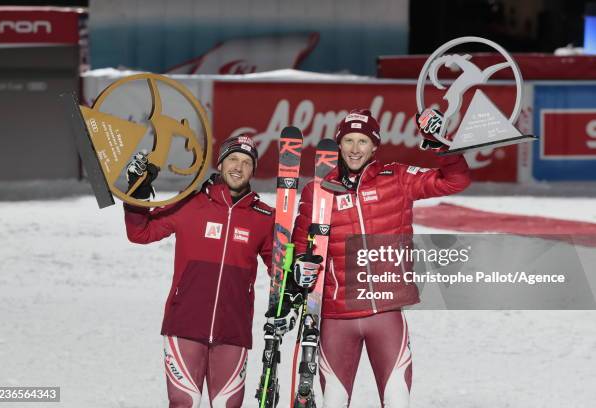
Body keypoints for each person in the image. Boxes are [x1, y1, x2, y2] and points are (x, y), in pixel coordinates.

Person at [291, 109, 471, 407]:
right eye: (348, 140)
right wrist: (299, 267)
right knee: (333, 403)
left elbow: (455, 182)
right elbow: (301, 247)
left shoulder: (397, 178)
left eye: (362, 141)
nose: (354, 149)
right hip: (337, 316)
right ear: (339, 144)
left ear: (375, 145)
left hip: (387, 312)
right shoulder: (317, 192)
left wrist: (440, 143)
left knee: (397, 401)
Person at [123, 134, 295, 408]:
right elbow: (140, 232)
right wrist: (137, 194)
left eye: (246, 162)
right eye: (232, 159)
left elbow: (279, 269)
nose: (238, 167)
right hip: (184, 326)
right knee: (183, 403)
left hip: (233, 331)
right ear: (221, 163)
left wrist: (296, 263)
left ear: (253, 170)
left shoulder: (264, 217)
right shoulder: (190, 204)